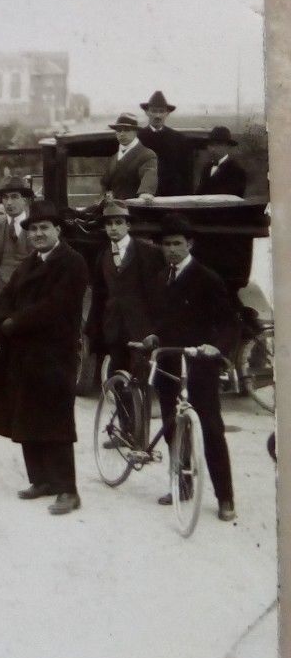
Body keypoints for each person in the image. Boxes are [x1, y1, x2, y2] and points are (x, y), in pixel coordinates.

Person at [0, 203, 88, 515]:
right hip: (24, 354)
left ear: (58, 230)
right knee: (27, 415)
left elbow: (56, 306)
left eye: (44, 228)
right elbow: (7, 297)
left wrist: (14, 323)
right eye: (33, 229)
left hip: (54, 355)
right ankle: (41, 480)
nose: (38, 234)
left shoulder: (72, 262)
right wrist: (3, 319)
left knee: (56, 421)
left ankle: (67, 489)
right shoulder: (28, 263)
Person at [142, 215, 239, 522]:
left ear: (190, 244)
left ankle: (225, 497)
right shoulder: (161, 277)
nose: (171, 249)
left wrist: (217, 348)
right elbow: (159, 317)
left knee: (210, 429)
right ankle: (182, 485)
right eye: (166, 244)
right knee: (172, 426)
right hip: (169, 363)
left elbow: (228, 322)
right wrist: (154, 334)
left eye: (177, 244)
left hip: (199, 365)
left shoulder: (207, 278)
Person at [87, 199, 166, 383]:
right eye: (109, 223)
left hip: (141, 329)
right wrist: (96, 330)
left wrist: (155, 328)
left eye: (118, 222)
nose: (113, 228)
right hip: (114, 329)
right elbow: (100, 296)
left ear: (128, 225)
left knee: (142, 381)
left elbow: (158, 292)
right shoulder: (103, 256)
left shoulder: (148, 252)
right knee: (119, 381)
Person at [137, 91, 194, 195]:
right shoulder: (138, 138)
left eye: (161, 111)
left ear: (167, 113)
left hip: (172, 196)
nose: (158, 115)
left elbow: (186, 173)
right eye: (154, 111)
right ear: (147, 112)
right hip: (143, 195)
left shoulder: (179, 139)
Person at [101, 112, 160, 199]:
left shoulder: (146, 154)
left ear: (135, 132)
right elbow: (105, 183)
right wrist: (106, 193)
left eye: (127, 130)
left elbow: (149, 173)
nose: (122, 134)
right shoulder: (114, 157)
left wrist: (146, 192)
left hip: (135, 205)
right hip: (113, 205)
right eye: (119, 130)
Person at [198, 126, 248, 195]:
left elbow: (231, 196)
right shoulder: (207, 168)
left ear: (228, 147)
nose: (213, 149)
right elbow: (200, 193)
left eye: (218, 145)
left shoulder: (236, 170)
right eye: (211, 145)